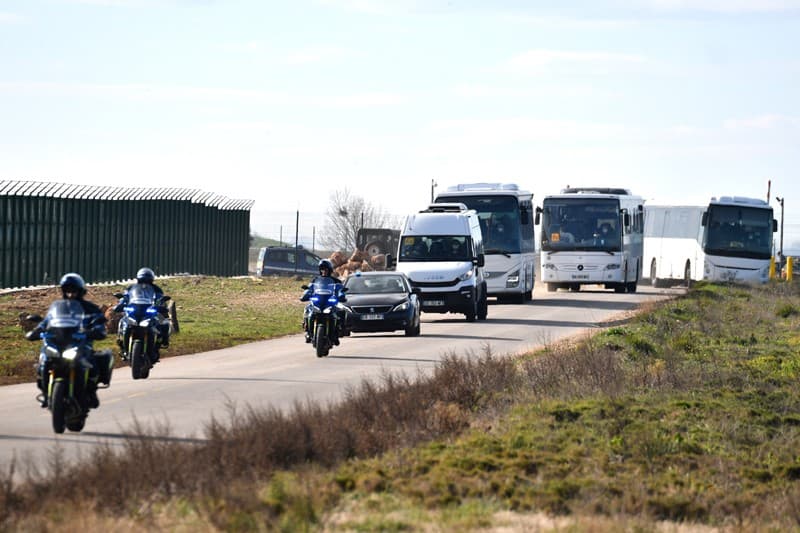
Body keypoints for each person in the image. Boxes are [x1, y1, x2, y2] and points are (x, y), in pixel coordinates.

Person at [25, 273, 109, 408]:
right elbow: (46, 322)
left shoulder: (90, 307)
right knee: (43, 363)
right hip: (57, 342)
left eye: (74, 290)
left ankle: (91, 392)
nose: (71, 294)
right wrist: (36, 332)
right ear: (63, 291)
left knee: (92, 364)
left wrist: (96, 330)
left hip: (80, 343)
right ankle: (47, 394)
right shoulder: (57, 306)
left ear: (80, 291)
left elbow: (99, 321)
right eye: (68, 290)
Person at [114, 267, 171, 361]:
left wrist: (161, 305)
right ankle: (122, 344)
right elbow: (125, 297)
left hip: (149, 311)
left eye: (147, 280)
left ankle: (160, 343)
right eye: (143, 280)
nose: (145, 282)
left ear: (151, 280)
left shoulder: (156, 289)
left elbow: (160, 299)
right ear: (138, 279)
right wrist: (121, 304)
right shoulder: (131, 287)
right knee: (122, 321)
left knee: (164, 324)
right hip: (135, 309)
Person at [300, 259, 346, 345]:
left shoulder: (336, 281)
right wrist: (305, 295)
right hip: (318, 301)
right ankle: (307, 331)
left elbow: (340, 289)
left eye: (326, 269)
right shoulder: (315, 280)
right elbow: (310, 288)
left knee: (341, 310)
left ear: (330, 270)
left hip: (330, 302)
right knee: (307, 309)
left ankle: (338, 332)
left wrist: (341, 295)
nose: (324, 271)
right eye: (322, 269)